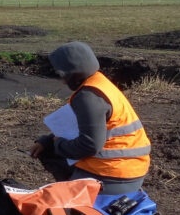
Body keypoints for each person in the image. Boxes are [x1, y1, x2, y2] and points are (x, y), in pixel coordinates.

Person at [30, 41, 150, 195]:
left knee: (62, 208)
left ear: (73, 73)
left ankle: (78, 197)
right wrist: (47, 140)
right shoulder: (98, 83)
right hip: (129, 167)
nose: (62, 80)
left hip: (113, 173)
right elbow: (82, 126)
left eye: (62, 75)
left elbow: (90, 145)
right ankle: (74, 186)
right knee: (49, 148)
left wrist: (58, 145)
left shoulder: (88, 97)